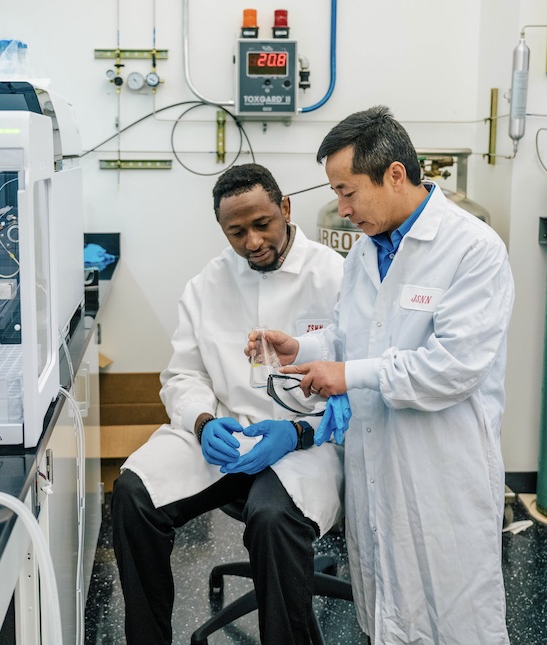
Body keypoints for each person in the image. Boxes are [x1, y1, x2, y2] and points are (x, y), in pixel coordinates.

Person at [250, 106, 515, 644]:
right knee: (385, 611)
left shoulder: (473, 249)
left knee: (454, 616)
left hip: (443, 466)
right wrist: (302, 345)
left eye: (349, 192)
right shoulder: (366, 252)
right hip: (377, 461)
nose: (342, 209)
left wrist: (347, 373)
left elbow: (452, 368)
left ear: (395, 174)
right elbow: (356, 339)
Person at [112, 163, 345, 645]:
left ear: (285, 208)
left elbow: (359, 381)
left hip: (309, 442)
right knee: (134, 494)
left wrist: (299, 432)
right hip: (227, 433)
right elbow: (183, 374)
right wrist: (201, 422)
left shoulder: (335, 277)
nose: (253, 242)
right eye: (237, 232)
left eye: (262, 225)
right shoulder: (207, 285)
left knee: (272, 516)